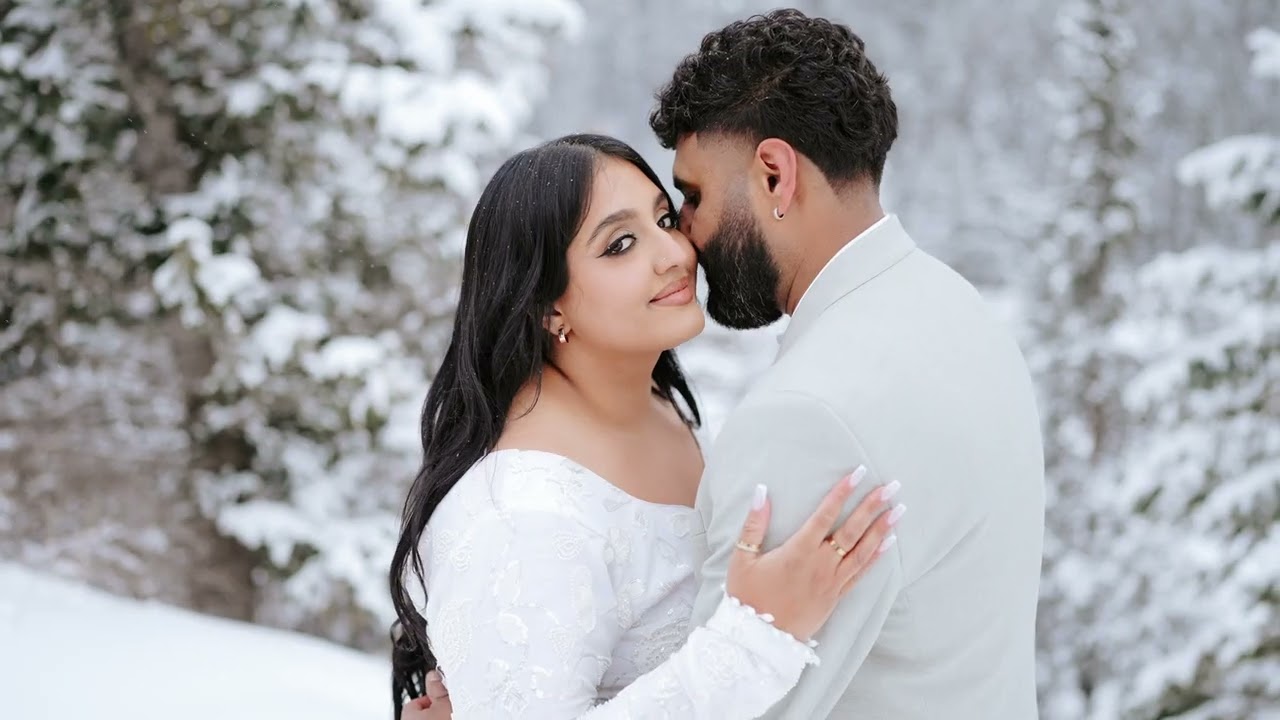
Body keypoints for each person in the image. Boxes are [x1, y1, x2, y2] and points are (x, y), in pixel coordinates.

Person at [388, 133, 903, 719]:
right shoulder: (521, 516)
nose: (675, 254)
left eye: (665, 218)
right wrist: (757, 640)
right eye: (621, 244)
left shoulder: (657, 402)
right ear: (546, 305)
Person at [646, 9, 1046, 718]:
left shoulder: (806, 418)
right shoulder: (961, 312)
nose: (683, 235)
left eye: (694, 195)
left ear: (774, 175)